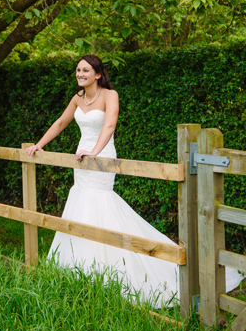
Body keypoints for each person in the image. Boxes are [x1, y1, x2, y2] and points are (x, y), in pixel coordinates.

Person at [25, 55, 242, 307]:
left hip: (101, 155)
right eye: (77, 70)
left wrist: (94, 153)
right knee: (81, 199)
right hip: (81, 159)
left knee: (100, 201)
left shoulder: (110, 95)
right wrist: (38, 145)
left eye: (85, 70)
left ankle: (112, 266)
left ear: (97, 74)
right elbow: (61, 122)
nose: (79, 74)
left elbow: (109, 125)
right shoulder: (77, 98)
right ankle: (78, 268)